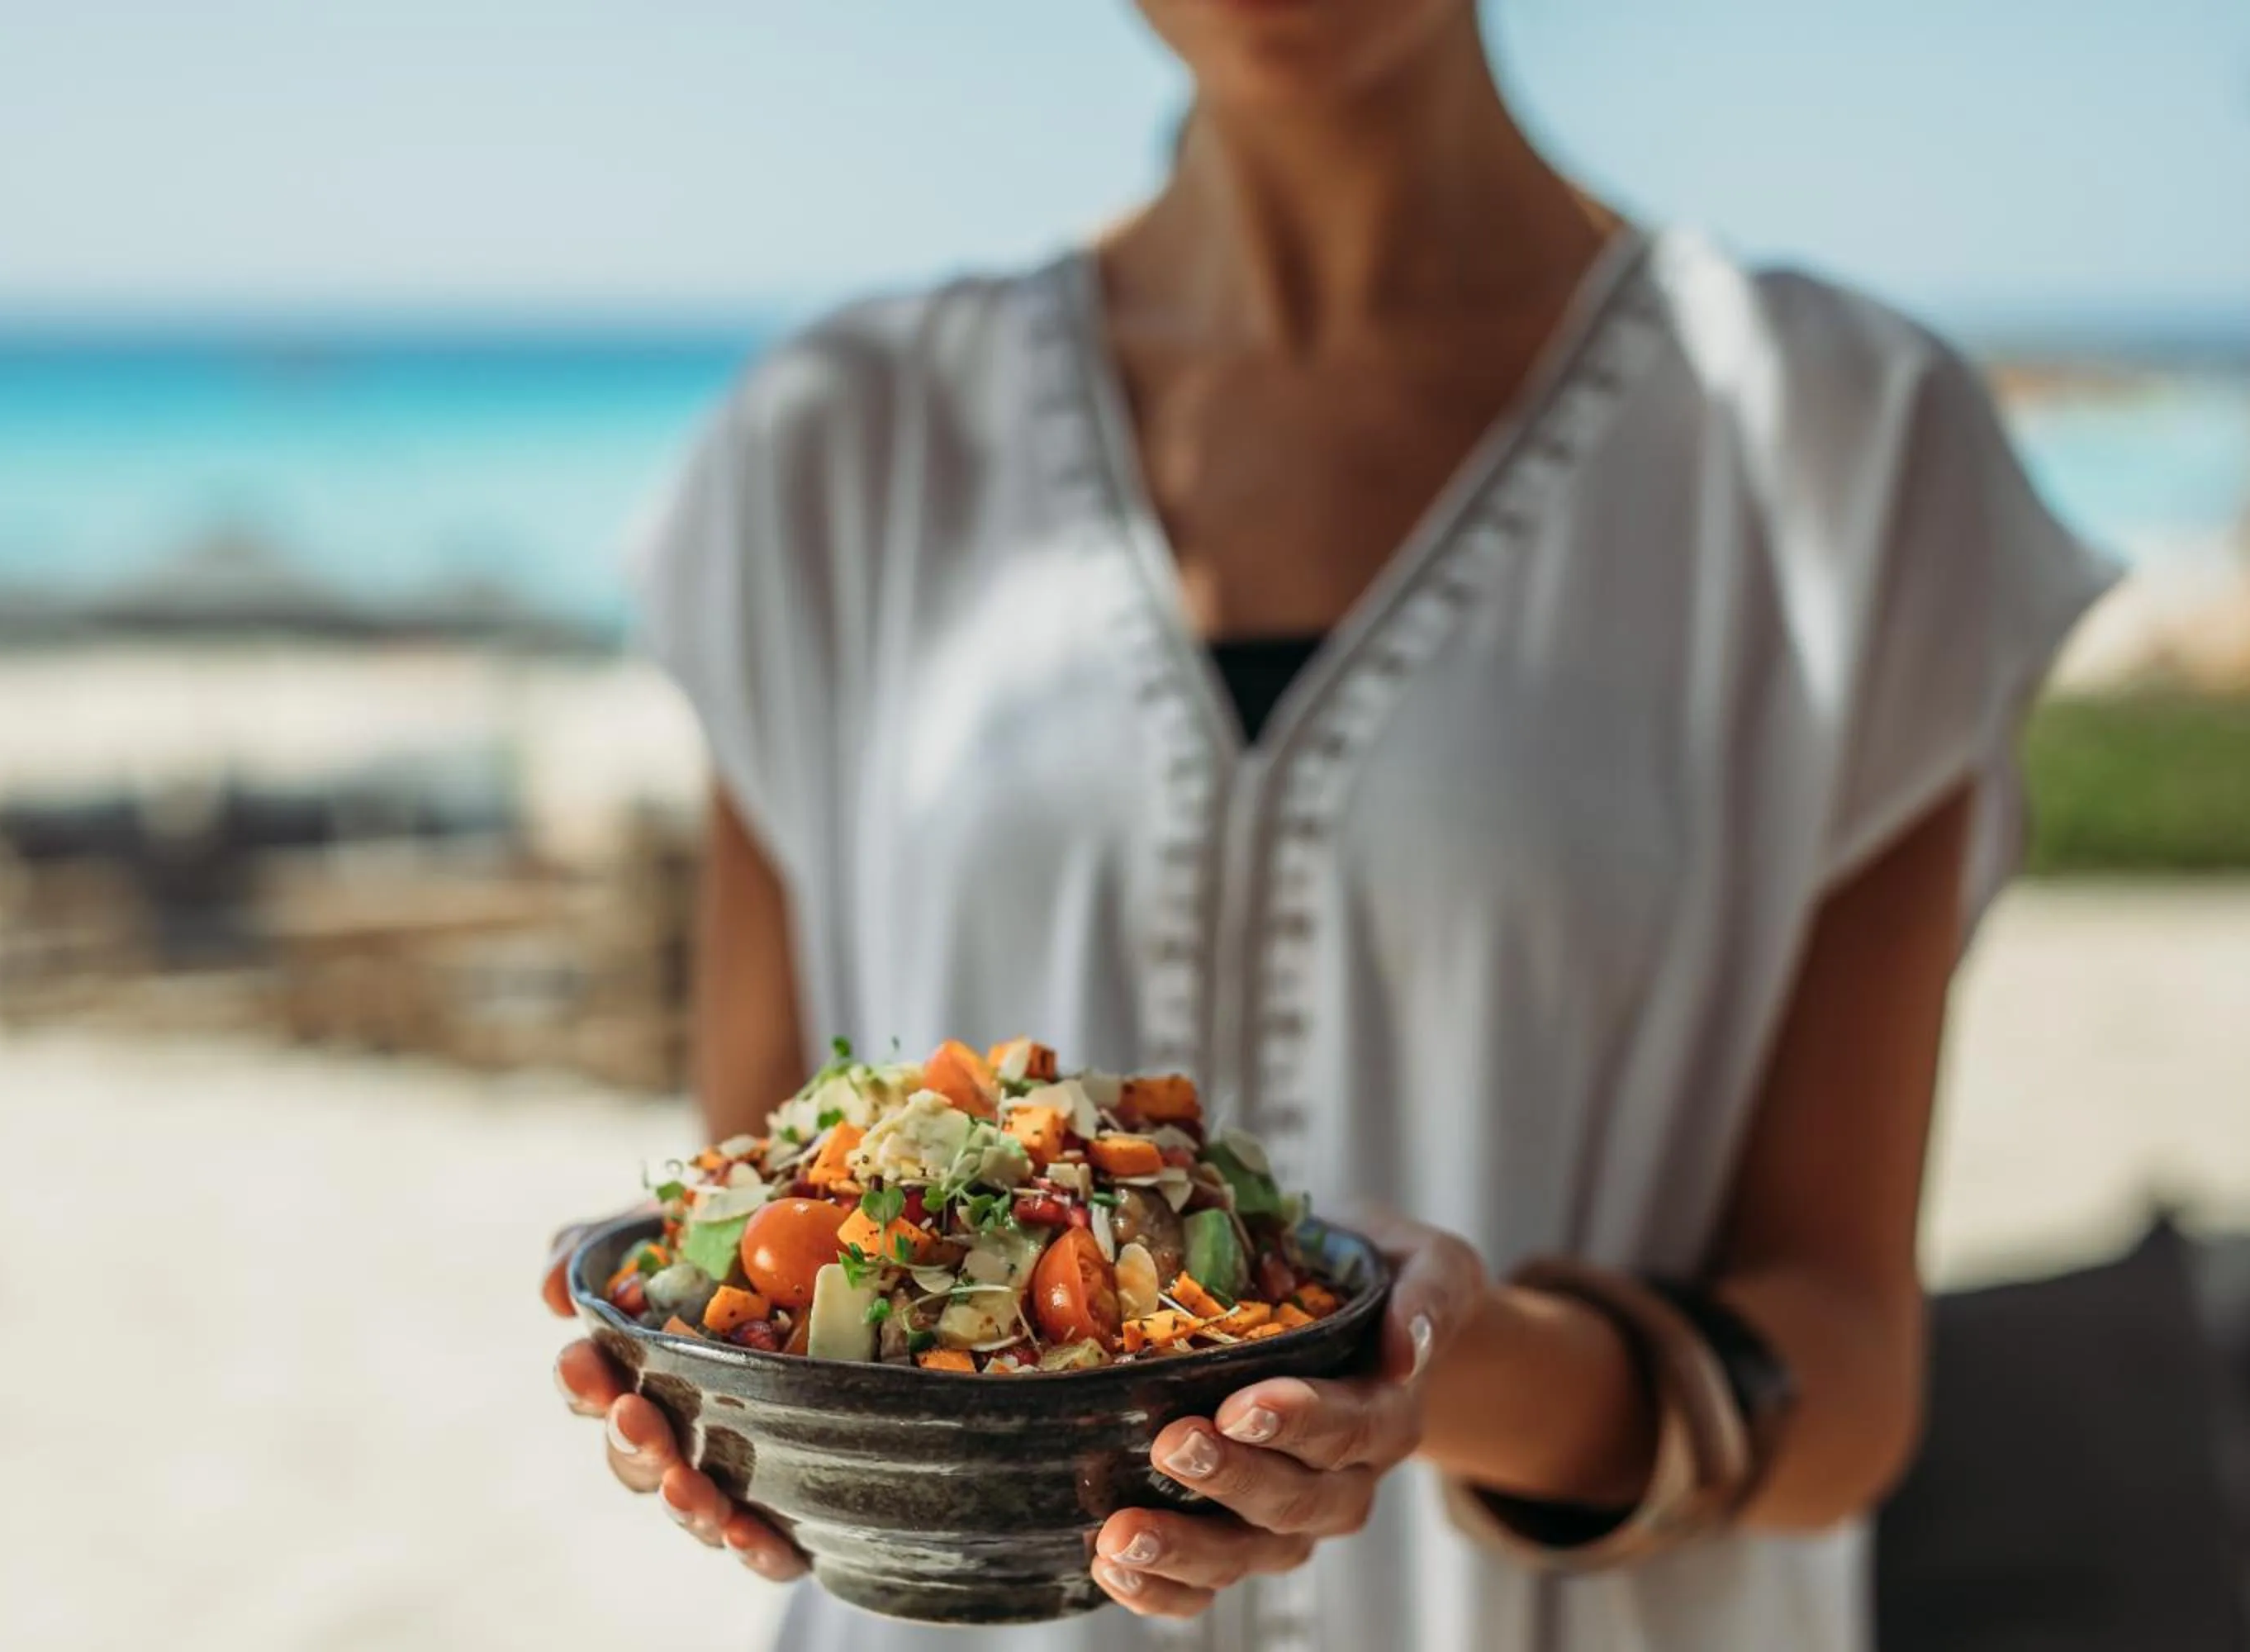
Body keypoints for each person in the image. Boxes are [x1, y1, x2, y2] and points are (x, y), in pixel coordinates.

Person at [539, 2, 2115, 1648]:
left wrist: (1423, 1372)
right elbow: (760, 1215)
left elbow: (1846, 1388)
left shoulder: (1847, 447)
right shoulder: (837, 448)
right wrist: (706, 1373)